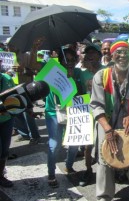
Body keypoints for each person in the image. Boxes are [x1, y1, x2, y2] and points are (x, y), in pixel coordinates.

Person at [90, 39, 129, 201]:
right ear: (112, 56)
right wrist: (107, 129)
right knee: (105, 166)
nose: (122, 56)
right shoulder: (101, 76)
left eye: (126, 52)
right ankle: (104, 197)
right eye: (119, 52)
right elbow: (96, 105)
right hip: (107, 126)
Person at [45, 48, 82, 188]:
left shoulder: (78, 72)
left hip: (73, 111)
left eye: (73, 60)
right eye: (66, 60)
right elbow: (35, 68)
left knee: (74, 144)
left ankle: (69, 166)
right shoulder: (52, 71)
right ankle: (51, 173)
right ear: (60, 61)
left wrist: (72, 79)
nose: (70, 63)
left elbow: (81, 94)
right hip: (54, 112)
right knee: (54, 145)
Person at [79, 45, 103, 187]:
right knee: (88, 145)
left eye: (93, 54)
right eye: (88, 55)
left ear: (99, 56)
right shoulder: (82, 73)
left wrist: (94, 71)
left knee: (104, 143)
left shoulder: (105, 70)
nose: (90, 57)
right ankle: (88, 170)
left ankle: (108, 171)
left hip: (103, 112)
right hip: (87, 112)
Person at [0, 69, 15, 187]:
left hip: (7, 120)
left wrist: (29, 110)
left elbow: (17, 96)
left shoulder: (7, 78)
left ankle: (1, 176)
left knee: (4, 150)